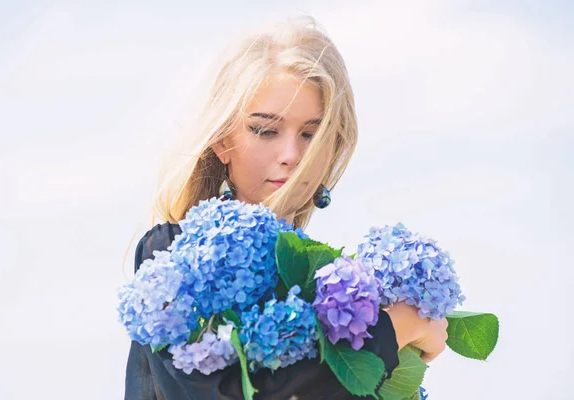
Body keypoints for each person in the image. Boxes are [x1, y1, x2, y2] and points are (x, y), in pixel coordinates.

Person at [124, 16, 449, 400]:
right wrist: (397, 329)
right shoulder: (172, 253)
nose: (292, 156)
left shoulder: (332, 287)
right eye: (265, 130)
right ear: (222, 141)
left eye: (312, 134)